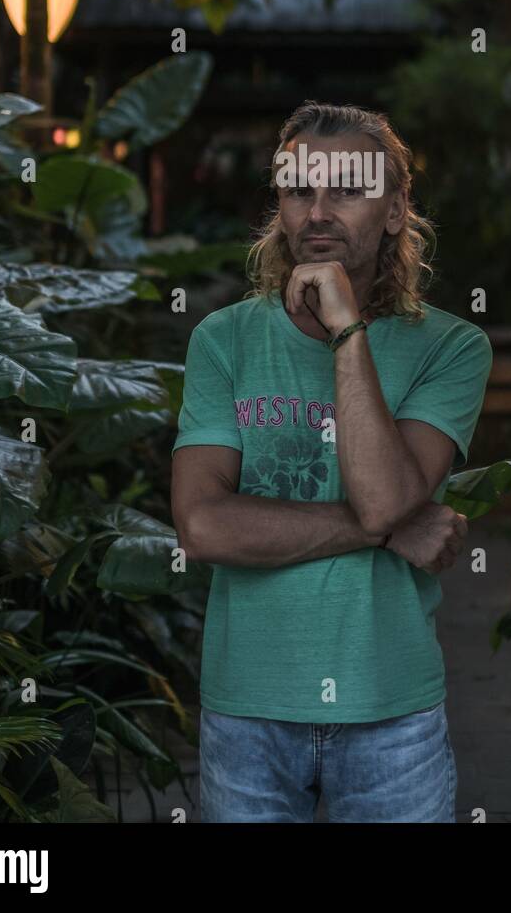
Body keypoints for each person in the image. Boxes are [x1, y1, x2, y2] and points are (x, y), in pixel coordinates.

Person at [170, 101, 492, 823]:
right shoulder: (222, 341)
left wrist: (349, 334)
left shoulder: (452, 348)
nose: (318, 212)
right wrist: (386, 532)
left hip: (391, 712)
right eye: (297, 190)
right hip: (248, 709)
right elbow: (204, 528)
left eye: (346, 189)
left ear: (395, 209)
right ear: (278, 205)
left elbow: (382, 497)